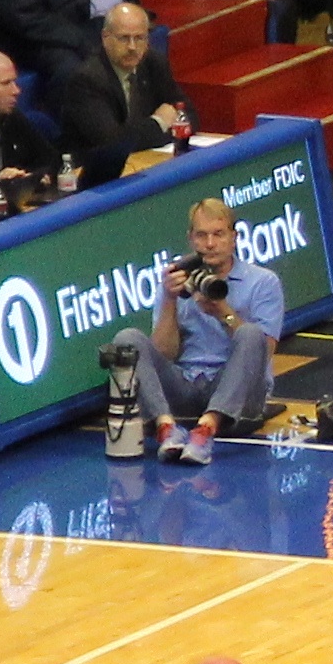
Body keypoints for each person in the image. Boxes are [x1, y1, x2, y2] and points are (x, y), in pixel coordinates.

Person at [105, 193, 282, 463]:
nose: (210, 244)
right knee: (126, 339)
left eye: (218, 235)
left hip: (240, 395)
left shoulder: (263, 282)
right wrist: (169, 301)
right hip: (187, 385)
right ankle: (166, 428)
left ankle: (205, 430)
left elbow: (264, 351)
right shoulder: (176, 281)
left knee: (250, 333)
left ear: (233, 237)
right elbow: (164, 353)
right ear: (191, 239)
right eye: (202, 236)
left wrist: (223, 313)